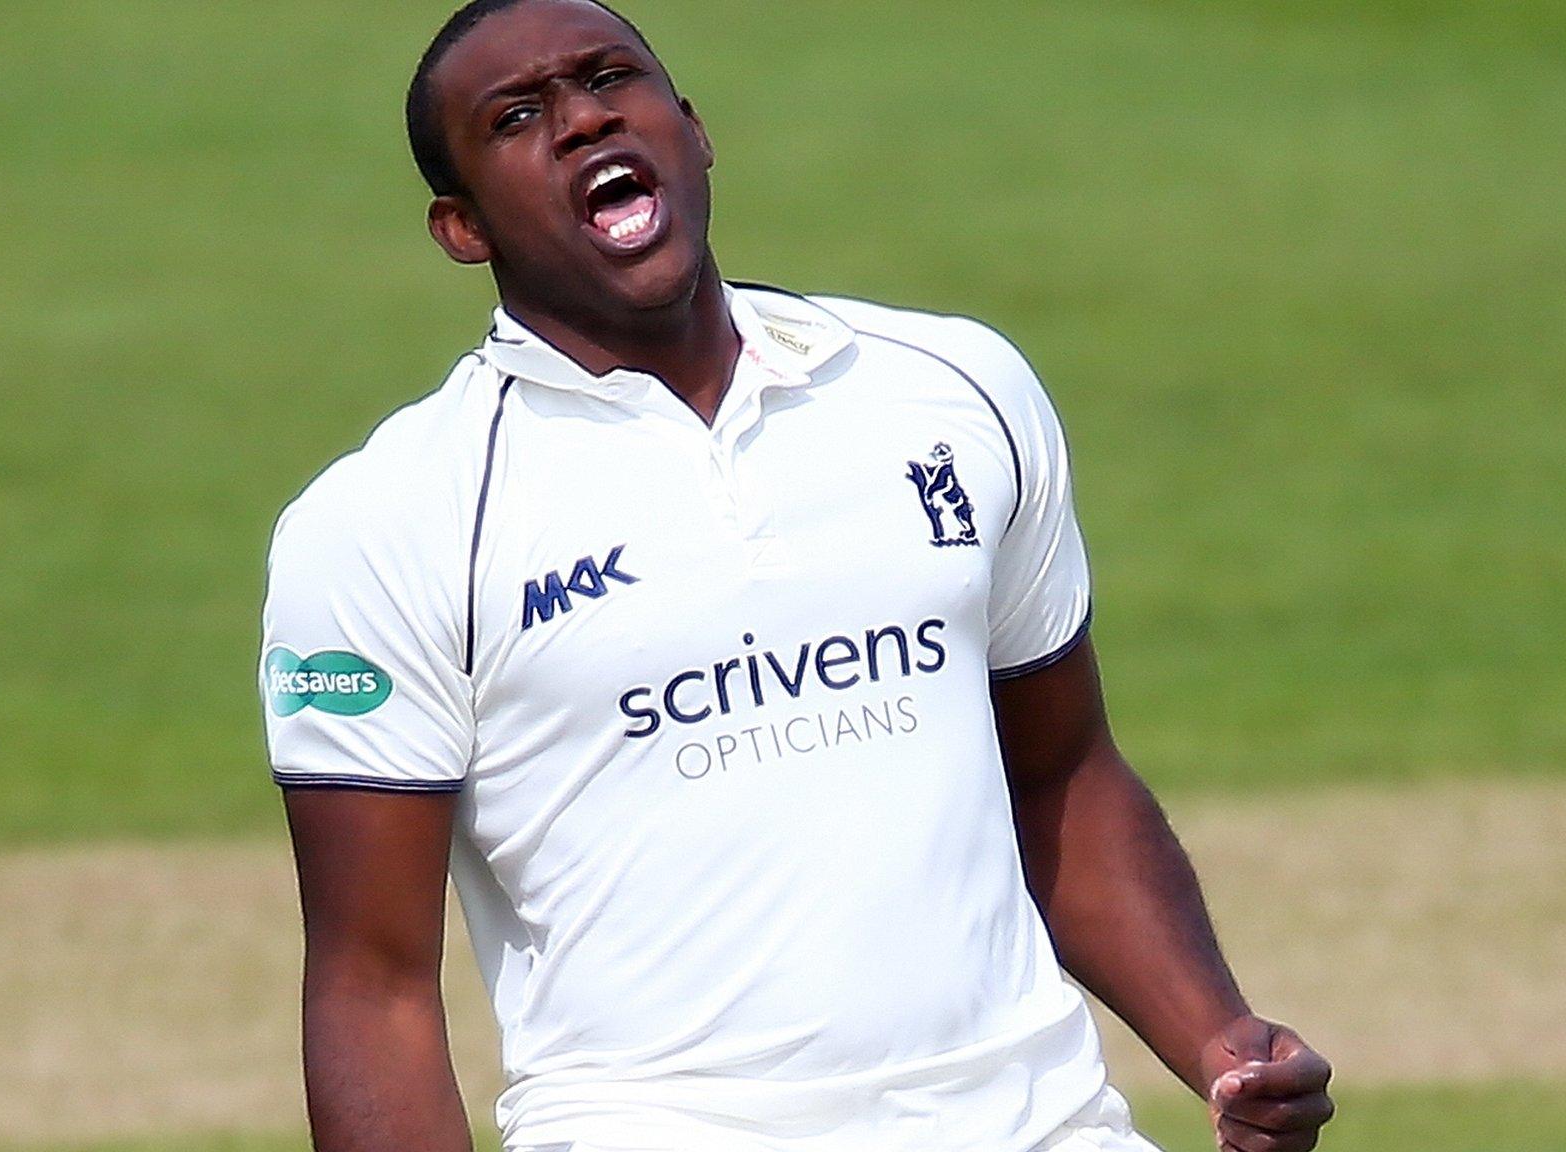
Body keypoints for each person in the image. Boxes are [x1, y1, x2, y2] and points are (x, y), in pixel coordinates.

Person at [258, 1, 1336, 1149]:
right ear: (461, 228)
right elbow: (373, 989)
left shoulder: (951, 390)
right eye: (517, 117)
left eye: (609, 77)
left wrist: (1216, 1040)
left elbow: (1061, 773)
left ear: (693, 128)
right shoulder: (385, 523)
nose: (581, 120)